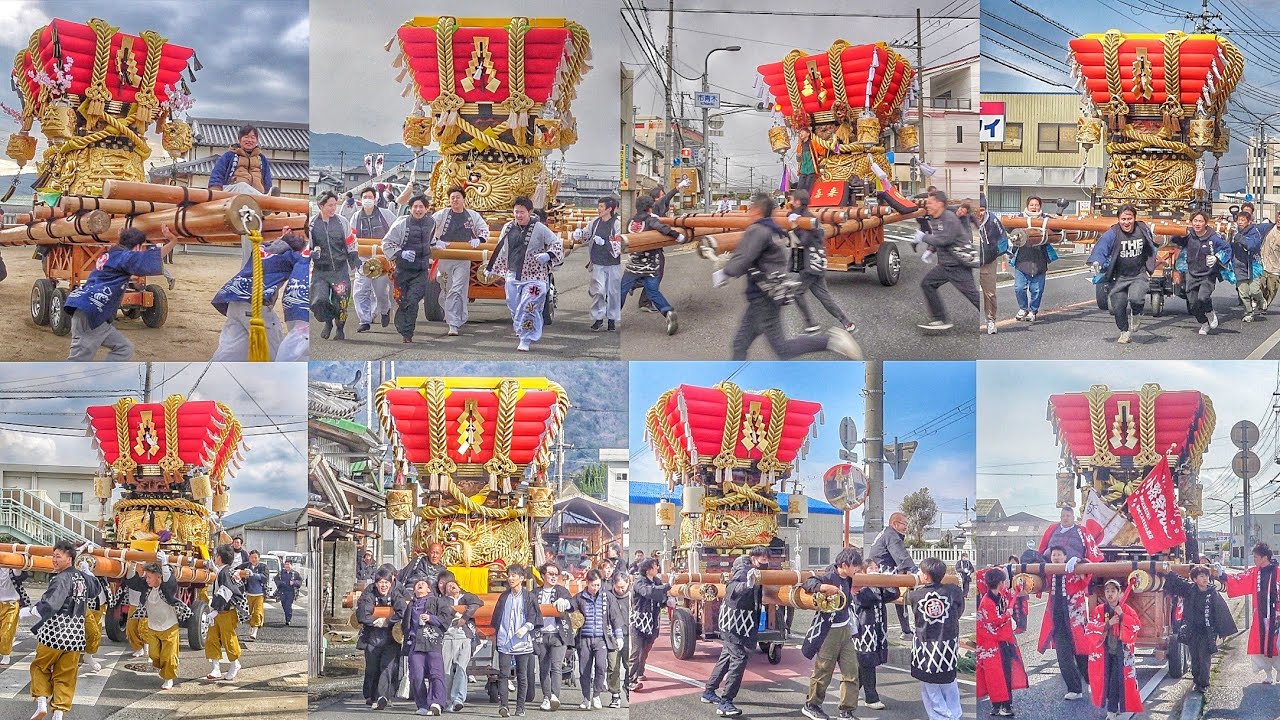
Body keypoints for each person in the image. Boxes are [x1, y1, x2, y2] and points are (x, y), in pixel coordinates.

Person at [716, 192, 862, 360]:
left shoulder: (759, 229)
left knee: (780, 348)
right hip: (771, 290)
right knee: (741, 343)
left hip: (767, 293)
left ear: (756, 211)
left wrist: (725, 272)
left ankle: (830, 340)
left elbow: (744, 257)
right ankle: (819, 327)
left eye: (750, 210)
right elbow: (751, 257)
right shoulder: (774, 228)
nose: (748, 214)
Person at [64, 226, 179, 361]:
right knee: (78, 361)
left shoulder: (112, 254)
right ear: (137, 247)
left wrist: (122, 236)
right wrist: (173, 241)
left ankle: (101, 378)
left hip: (89, 309)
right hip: (92, 313)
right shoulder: (126, 256)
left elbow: (118, 269)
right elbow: (150, 258)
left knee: (124, 348)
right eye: (141, 247)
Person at [208, 231, 306, 360]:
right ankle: (277, 376)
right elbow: (304, 259)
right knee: (274, 347)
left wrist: (282, 238)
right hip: (255, 307)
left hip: (234, 302)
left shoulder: (261, 248)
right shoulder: (289, 257)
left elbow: (273, 244)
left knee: (230, 349)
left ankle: (211, 373)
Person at [21, 539, 89, 720]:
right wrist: (88, 571)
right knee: (66, 674)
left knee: (40, 667)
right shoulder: (82, 577)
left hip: (55, 633)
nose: (54, 559)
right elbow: (96, 589)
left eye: (58, 556)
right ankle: (58, 714)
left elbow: (51, 604)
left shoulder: (61, 578)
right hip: (76, 635)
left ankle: (42, 703)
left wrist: (30, 610)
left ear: (69, 558)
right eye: (53, 556)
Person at [486, 196, 564, 352]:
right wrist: (490, 268)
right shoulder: (507, 227)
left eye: (522, 212)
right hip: (513, 274)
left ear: (530, 212)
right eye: (516, 212)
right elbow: (501, 249)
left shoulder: (540, 228)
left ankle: (525, 338)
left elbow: (556, 243)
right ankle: (521, 328)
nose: (519, 215)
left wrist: (548, 255)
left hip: (535, 275)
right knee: (514, 306)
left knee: (528, 306)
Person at [702, 548, 769, 717]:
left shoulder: (757, 571)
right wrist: (748, 584)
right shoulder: (744, 571)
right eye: (763, 558)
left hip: (739, 624)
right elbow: (733, 588)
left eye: (767, 558)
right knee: (739, 658)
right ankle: (725, 702)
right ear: (753, 558)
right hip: (734, 624)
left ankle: (709, 692)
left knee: (727, 656)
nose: (765, 561)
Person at [799, 547, 863, 720]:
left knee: (851, 671)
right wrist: (823, 587)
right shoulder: (829, 576)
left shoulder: (848, 578)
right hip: (829, 631)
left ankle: (846, 710)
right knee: (823, 670)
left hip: (845, 630)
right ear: (844, 564)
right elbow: (808, 583)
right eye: (855, 566)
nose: (857, 569)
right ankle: (811, 705)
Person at [1159, 564, 1237, 693]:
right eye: (1201, 576)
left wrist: (1223, 631)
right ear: (1195, 579)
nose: (1205, 578)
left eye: (1206, 575)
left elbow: (1221, 612)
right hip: (1192, 630)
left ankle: (1204, 684)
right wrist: (1168, 572)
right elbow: (1178, 581)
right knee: (1194, 657)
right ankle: (1197, 680)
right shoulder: (1190, 589)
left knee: (1204, 658)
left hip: (1207, 631)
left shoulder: (1213, 594)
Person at [787, 189, 856, 333]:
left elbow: (804, 240)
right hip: (814, 263)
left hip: (811, 263)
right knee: (824, 297)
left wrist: (794, 226)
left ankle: (811, 325)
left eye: (792, 199)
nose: (790, 201)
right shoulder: (800, 216)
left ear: (798, 202)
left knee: (798, 293)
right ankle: (847, 323)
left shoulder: (808, 219)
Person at [1088, 204, 1158, 344]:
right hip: (1118, 276)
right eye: (1123, 219)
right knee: (1118, 306)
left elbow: (1152, 244)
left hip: (1138, 273)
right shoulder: (1112, 233)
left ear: (1134, 218)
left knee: (1136, 298)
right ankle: (1124, 331)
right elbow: (1101, 248)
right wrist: (1097, 261)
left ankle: (1137, 314)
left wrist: (1153, 259)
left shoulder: (1142, 229)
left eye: (1129, 218)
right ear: (1118, 219)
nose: (1126, 222)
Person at [908, 557, 964, 720]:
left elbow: (907, 602)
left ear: (925, 575)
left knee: (929, 685)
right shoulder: (954, 591)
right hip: (948, 644)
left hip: (926, 646)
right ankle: (954, 714)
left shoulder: (916, 595)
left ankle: (941, 716)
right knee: (949, 682)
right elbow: (959, 611)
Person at [917, 190, 981, 331]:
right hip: (945, 265)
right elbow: (939, 237)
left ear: (939, 204)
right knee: (927, 284)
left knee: (973, 295)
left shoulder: (949, 218)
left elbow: (944, 239)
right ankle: (940, 319)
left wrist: (923, 237)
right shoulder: (936, 217)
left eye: (930, 203)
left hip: (958, 265)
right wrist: (930, 250)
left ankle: (990, 316)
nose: (927, 205)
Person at [622, 194, 685, 335]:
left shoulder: (630, 221)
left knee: (622, 290)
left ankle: (612, 316)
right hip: (651, 264)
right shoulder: (651, 221)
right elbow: (664, 229)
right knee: (653, 291)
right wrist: (678, 236)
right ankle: (668, 312)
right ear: (649, 209)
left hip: (634, 264)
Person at [430, 187, 489, 336]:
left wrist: (479, 239)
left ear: (463, 199)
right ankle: (453, 315)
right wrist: (435, 242)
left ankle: (453, 323)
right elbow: (428, 227)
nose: (455, 200)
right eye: (452, 198)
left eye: (457, 197)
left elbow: (484, 230)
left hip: (463, 258)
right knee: (446, 289)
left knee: (457, 289)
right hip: (445, 256)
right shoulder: (442, 214)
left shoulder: (472, 215)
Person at [1039, 546, 1093, 700]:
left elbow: (1088, 570)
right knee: (1063, 657)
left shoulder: (1074, 570)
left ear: (1065, 557)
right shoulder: (1049, 573)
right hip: (1058, 622)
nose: (1055, 557)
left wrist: (1079, 561)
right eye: (1053, 555)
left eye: (1059, 555)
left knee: (1083, 655)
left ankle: (1093, 683)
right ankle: (1075, 689)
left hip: (1075, 621)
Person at [382, 195, 438, 343]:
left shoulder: (432, 222)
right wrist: (401, 253)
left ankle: (408, 334)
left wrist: (437, 245)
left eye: (421, 207)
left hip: (421, 270)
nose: (418, 210)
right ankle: (402, 325)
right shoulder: (401, 223)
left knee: (413, 301)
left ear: (426, 209)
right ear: (410, 208)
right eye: (415, 207)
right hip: (402, 270)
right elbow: (386, 243)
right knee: (401, 300)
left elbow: (433, 240)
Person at [1223, 542, 1280, 683]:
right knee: (1260, 645)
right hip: (1260, 615)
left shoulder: (1278, 572)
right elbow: (1240, 579)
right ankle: (1268, 675)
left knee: (1277, 644)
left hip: (1277, 615)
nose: (1254, 559)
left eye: (1256, 557)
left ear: (1264, 557)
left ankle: (1279, 671)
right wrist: (1222, 576)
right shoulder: (1255, 572)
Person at [1085, 580, 1142, 718]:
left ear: (1120, 593)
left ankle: (1111, 711)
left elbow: (1136, 626)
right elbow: (1090, 628)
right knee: (1107, 681)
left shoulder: (1127, 609)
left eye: (1113, 591)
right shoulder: (1099, 610)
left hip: (1121, 653)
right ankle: (1113, 707)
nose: (1110, 594)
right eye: (1107, 591)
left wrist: (1122, 616)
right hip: (1104, 654)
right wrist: (1107, 624)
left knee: (1117, 681)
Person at [975, 568, 1026, 718]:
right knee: (1000, 675)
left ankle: (998, 706)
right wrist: (1007, 614)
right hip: (994, 643)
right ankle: (1003, 706)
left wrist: (1017, 590)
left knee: (998, 675)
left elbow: (1011, 596)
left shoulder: (997, 595)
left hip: (996, 642)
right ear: (1000, 583)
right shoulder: (987, 602)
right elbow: (995, 622)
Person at [134, 557, 190, 690]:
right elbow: (132, 582)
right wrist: (131, 565)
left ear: (159, 577)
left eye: (149, 577)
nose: (146, 580)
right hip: (153, 627)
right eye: (146, 577)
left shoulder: (166, 589)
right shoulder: (146, 589)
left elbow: (170, 582)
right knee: (154, 655)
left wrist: (164, 563)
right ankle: (162, 669)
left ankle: (168, 677)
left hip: (169, 627)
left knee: (169, 656)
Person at [1169, 210, 1229, 334]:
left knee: (1203, 297)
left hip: (1207, 274)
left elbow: (1227, 249)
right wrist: (1179, 233)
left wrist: (1217, 257)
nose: (1197, 224)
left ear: (1206, 223)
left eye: (1200, 221)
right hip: (1191, 273)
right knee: (1193, 304)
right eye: (1195, 221)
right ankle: (1203, 323)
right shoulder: (1189, 235)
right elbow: (1175, 239)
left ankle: (1210, 312)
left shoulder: (1213, 237)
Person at [311, 191, 359, 341]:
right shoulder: (312, 224)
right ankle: (328, 322)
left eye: (335, 205)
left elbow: (351, 242)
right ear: (321, 205)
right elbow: (307, 246)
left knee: (342, 303)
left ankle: (339, 328)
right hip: (321, 270)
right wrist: (311, 253)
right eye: (330, 205)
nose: (333, 208)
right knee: (319, 300)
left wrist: (355, 259)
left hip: (340, 269)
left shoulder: (342, 221)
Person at [850, 560, 897, 710]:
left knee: (864, 663)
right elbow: (865, 599)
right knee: (867, 661)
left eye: (877, 568)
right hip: (863, 630)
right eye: (871, 568)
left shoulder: (877, 587)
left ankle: (850, 690)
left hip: (877, 628)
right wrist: (876, 584)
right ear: (863, 572)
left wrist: (889, 580)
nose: (876, 570)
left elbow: (893, 594)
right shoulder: (857, 587)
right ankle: (871, 697)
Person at [350, 186, 398, 333]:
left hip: (382, 260)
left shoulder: (386, 214)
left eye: (370, 197)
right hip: (363, 258)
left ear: (376, 199)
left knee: (380, 292)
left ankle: (385, 310)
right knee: (360, 290)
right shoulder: (356, 217)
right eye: (365, 197)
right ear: (360, 200)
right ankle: (364, 320)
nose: (368, 200)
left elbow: (397, 231)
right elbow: (351, 238)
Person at [493, 564, 539, 717]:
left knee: (522, 674)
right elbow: (497, 616)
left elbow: (534, 616)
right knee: (503, 674)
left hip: (522, 640)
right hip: (505, 639)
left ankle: (520, 706)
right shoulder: (504, 596)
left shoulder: (529, 597)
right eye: (509, 575)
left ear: (522, 578)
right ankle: (504, 706)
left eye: (514, 575)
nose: (510, 578)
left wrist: (526, 627)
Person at [402, 577, 450, 716]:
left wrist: (431, 618)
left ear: (429, 589)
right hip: (415, 642)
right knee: (416, 675)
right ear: (414, 590)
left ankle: (437, 703)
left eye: (423, 584)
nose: (420, 585)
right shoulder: (411, 604)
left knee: (436, 673)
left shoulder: (437, 601)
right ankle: (422, 704)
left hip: (432, 640)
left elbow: (446, 619)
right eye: (417, 584)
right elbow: (405, 625)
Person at [358, 569, 403, 709]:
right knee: (372, 668)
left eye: (386, 582)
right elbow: (362, 614)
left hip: (391, 638)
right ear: (376, 583)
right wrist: (375, 620)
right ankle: (372, 696)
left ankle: (383, 696)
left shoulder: (396, 594)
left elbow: (403, 611)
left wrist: (387, 621)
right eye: (380, 582)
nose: (383, 585)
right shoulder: (369, 594)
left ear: (391, 583)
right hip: (372, 638)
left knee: (387, 667)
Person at [572, 569, 617, 710]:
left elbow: (615, 616)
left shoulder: (607, 596)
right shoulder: (579, 597)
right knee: (584, 670)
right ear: (587, 583)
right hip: (584, 638)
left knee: (601, 667)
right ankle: (586, 698)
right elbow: (570, 609)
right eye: (593, 585)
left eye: (598, 585)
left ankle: (596, 695)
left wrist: (619, 635)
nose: (596, 588)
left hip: (601, 638)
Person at [577, 197, 623, 332]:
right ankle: (598, 318)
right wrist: (580, 234)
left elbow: (621, 243)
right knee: (599, 290)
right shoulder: (595, 222)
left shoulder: (617, 223)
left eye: (602, 207)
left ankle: (612, 319)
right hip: (598, 262)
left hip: (613, 263)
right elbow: (586, 234)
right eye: (599, 206)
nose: (599, 209)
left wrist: (605, 243)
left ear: (610, 209)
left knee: (613, 292)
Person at [869, 512, 918, 636]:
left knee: (900, 595)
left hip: (881, 574)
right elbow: (902, 558)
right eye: (904, 524)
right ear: (895, 524)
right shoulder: (892, 536)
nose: (906, 527)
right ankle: (914, 630)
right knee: (896, 593)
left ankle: (906, 630)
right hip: (883, 574)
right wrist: (916, 573)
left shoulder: (886, 533)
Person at [440, 571, 482, 712]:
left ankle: (458, 698)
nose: (451, 588)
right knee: (446, 669)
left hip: (464, 636)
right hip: (448, 636)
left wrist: (464, 617)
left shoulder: (468, 597)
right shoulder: (443, 600)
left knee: (461, 667)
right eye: (448, 587)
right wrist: (456, 614)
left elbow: (477, 603)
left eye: (453, 585)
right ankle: (446, 699)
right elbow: (443, 607)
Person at [206, 545, 250, 681]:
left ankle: (235, 664)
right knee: (212, 638)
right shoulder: (226, 570)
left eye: (216, 555)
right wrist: (214, 568)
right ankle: (216, 668)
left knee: (228, 639)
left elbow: (226, 592)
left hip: (226, 611)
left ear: (219, 557)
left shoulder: (226, 572)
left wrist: (216, 611)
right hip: (220, 610)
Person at [533, 562, 573, 712]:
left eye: (556, 574)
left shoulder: (561, 591)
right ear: (543, 575)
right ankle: (546, 696)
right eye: (550, 574)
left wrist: (565, 602)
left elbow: (572, 603)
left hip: (558, 634)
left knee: (556, 666)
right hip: (541, 634)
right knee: (544, 667)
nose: (554, 577)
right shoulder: (535, 593)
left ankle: (555, 696)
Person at [627, 558, 669, 691]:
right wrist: (666, 587)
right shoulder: (639, 581)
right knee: (636, 650)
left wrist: (666, 600)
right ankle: (630, 679)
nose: (657, 568)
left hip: (652, 620)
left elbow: (661, 596)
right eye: (656, 566)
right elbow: (649, 592)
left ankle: (640, 672)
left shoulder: (656, 581)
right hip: (638, 620)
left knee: (646, 649)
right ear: (648, 569)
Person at [1009, 196, 1053, 323]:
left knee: (1037, 290)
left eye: (1037, 205)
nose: (1034, 207)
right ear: (1027, 206)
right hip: (1022, 259)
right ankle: (1023, 308)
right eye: (1032, 205)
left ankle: (1033, 310)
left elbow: (1057, 229)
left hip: (1040, 259)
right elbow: (1009, 229)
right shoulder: (1019, 218)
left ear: (1040, 206)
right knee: (1019, 287)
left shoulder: (1046, 219)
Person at [208, 125, 274, 195]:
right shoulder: (229, 155)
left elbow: (267, 179)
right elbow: (217, 173)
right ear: (239, 139)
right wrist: (215, 190)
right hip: (232, 190)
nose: (249, 140)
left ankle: (265, 197)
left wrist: (268, 190)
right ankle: (265, 198)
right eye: (246, 137)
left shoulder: (262, 159)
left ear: (256, 140)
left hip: (256, 193)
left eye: (253, 138)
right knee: (243, 186)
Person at [975, 197, 1007, 335]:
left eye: (982, 210)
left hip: (988, 262)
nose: (979, 213)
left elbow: (1003, 238)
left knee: (990, 294)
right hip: (970, 262)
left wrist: (996, 253)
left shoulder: (993, 220)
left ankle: (991, 320)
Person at [1232, 210, 1267, 321]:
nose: (1240, 222)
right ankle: (1248, 313)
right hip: (1239, 265)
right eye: (1238, 220)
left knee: (1254, 290)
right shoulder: (1233, 231)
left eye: (1243, 220)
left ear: (1249, 222)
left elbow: (1252, 245)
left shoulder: (1254, 232)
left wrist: (1238, 237)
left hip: (1253, 265)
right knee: (1243, 292)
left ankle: (1261, 300)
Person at [606, 572, 630, 709]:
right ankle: (615, 694)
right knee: (613, 666)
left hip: (629, 635)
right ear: (613, 585)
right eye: (618, 587)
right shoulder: (608, 596)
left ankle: (627, 685)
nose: (621, 590)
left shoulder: (631, 596)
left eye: (623, 587)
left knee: (629, 665)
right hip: (612, 636)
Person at [0, 565, 29, 666]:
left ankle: (5, 654)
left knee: (7, 630)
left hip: (11, 603)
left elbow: (19, 573)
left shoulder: (14, 568)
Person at [243, 550, 269, 642]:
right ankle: (252, 626)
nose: (253, 559)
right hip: (248, 593)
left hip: (260, 593)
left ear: (259, 558)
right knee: (249, 613)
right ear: (249, 558)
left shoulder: (263, 566)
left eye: (255, 557)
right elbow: (236, 570)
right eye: (252, 557)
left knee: (257, 612)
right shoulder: (246, 565)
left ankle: (255, 631)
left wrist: (254, 574)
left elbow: (265, 577)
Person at [795, 128, 824, 192]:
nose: (801, 134)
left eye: (802, 132)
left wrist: (819, 161)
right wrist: (798, 156)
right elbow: (798, 160)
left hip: (811, 169)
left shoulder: (813, 143)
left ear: (808, 134)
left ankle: (806, 200)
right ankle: (799, 200)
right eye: (800, 133)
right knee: (799, 187)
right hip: (803, 170)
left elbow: (822, 152)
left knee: (808, 186)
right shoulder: (800, 146)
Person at [276, 559, 302, 626]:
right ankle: (286, 615)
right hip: (282, 591)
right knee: (284, 605)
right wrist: (280, 583)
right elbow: (276, 579)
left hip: (291, 592)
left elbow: (300, 581)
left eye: (288, 564)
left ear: (291, 565)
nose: (287, 566)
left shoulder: (295, 573)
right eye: (286, 564)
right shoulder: (281, 572)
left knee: (288, 605)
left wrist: (294, 583)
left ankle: (288, 619)